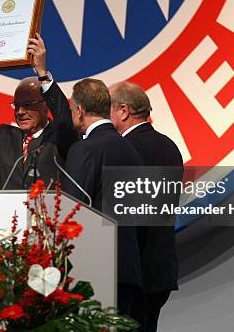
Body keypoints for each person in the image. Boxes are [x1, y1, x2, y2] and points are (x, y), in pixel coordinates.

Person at [62, 78, 145, 325]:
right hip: (128, 269)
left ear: (79, 110)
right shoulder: (129, 148)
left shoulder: (83, 150)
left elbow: (72, 210)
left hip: (93, 273)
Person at [0, 34, 77, 189]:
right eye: (16, 105)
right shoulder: (5, 139)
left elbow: (65, 121)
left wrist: (43, 74)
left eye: (28, 104)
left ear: (45, 105)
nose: (20, 111)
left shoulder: (60, 138)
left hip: (48, 212)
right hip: (8, 213)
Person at [110, 81, 183, 332]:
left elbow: (129, 215)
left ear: (123, 110)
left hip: (135, 272)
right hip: (161, 268)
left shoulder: (126, 149)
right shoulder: (169, 146)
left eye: (106, 108)